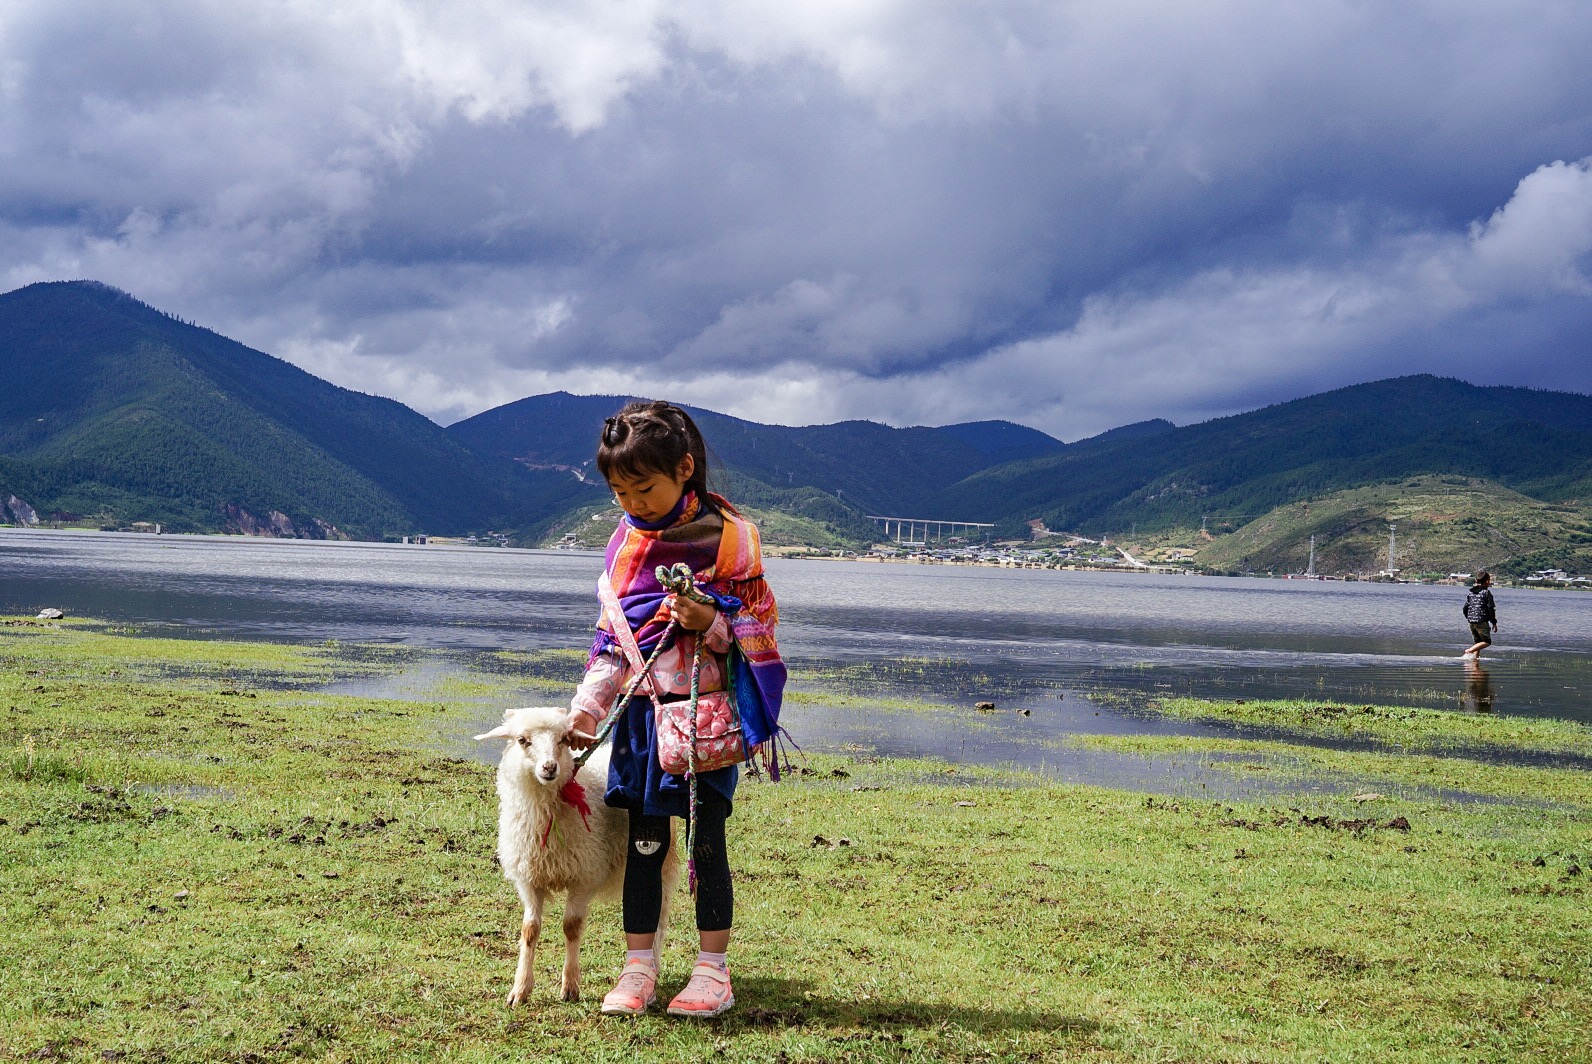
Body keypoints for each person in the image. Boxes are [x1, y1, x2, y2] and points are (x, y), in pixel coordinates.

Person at [566, 400, 784, 1020]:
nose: (634, 503)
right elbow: (615, 641)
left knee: (706, 840)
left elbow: (758, 625)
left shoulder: (730, 542)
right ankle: (639, 968)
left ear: (685, 468)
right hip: (639, 720)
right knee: (642, 840)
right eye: (620, 492)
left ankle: (713, 972)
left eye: (645, 488)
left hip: (700, 718)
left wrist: (710, 621)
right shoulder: (625, 547)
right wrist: (586, 713)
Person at [1462, 570, 1498, 659]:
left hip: (1471, 621)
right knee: (1486, 641)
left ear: (1476, 580)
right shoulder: (1486, 593)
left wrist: (1469, 617)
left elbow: (1465, 608)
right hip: (1481, 621)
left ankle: (1475, 660)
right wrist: (1494, 622)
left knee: (1478, 642)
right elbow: (1490, 608)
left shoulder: (1471, 593)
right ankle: (1469, 651)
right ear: (1487, 581)